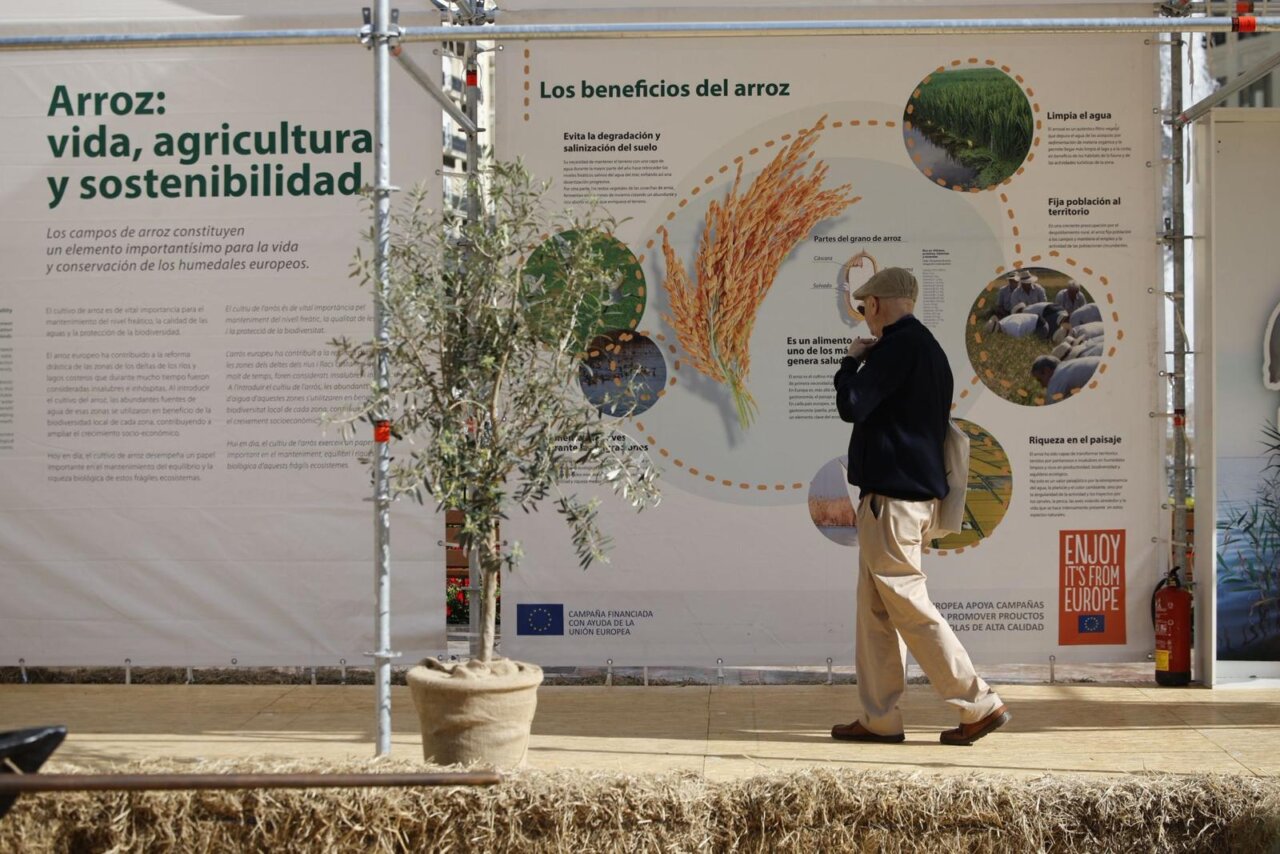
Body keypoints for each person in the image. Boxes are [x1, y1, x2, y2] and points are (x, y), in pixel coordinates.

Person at [831, 267, 1010, 746]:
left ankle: (978, 702)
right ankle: (879, 719)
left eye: (866, 306)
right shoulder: (930, 351)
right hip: (907, 498)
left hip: (891, 500)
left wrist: (850, 364)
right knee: (876, 611)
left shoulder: (896, 348)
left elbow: (852, 404)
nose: (865, 316)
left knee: (906, 602)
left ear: (881, 303)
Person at [1031, 354, 1101, 403]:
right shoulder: (1066, 366)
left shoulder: (1056, 381)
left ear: (1047, 371)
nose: (1042, 386)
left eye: (1040, 380)